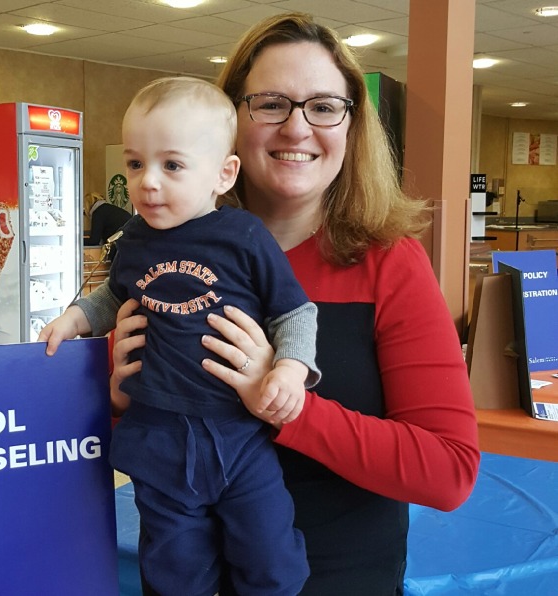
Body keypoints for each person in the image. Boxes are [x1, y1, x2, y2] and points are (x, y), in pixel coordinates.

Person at [109, 13, 481, 596]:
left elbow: (449, 471)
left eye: (324, 106)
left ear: (351, 125)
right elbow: (111, 428)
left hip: (341, 579)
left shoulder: (390, 265)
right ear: (231, 123)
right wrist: (115, 397)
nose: (298, 128)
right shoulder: (154, 255)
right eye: (272, 103)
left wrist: (289, 407)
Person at [40, 76, 322, 595]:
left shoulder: (244, 237)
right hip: (160, 433)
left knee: (271, 559)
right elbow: (111, 296)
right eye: (135, 163)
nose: (148, 182)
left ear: (223, 173)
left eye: (171, 165)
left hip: (239, 436)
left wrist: (291, 368)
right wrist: (75, 318)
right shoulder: (135, 238)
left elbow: (295, 312)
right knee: (174, 569)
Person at [83, 192, 132, 257]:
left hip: (120, 249)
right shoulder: (109, 209)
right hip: (131, 245)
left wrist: (76, 240)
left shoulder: (98, 213)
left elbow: (94, 241)